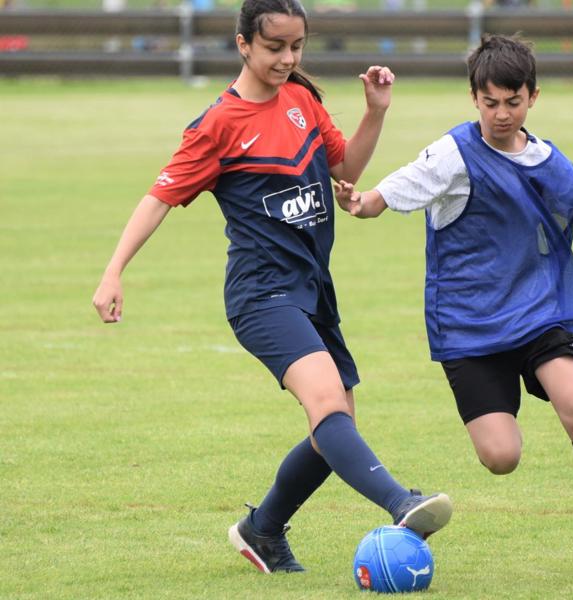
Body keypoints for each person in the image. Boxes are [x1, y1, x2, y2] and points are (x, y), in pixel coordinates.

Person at [91, 0, 452, 575]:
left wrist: (375, 112)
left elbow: (345, 169)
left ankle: (262, 530)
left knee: (335, 430)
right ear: (243, 45)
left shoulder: (302, 101)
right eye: (275, 47)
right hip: (262, 295)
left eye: (297, 47)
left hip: (313, 289)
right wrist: (113, 272)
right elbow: (158, 198)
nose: (288, 58)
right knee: (329, 407)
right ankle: (401, 502)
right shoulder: (217, 125)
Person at [340, 34, 573, 576]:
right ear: (474, 98)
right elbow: (396, 188)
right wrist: (360, 202)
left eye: (513, 101)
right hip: (470, 327)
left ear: (533, 97)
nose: (502, 113)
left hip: (543, 314)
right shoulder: (454, 154)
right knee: (502, 457)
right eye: (490, 102)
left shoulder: (552, 163)